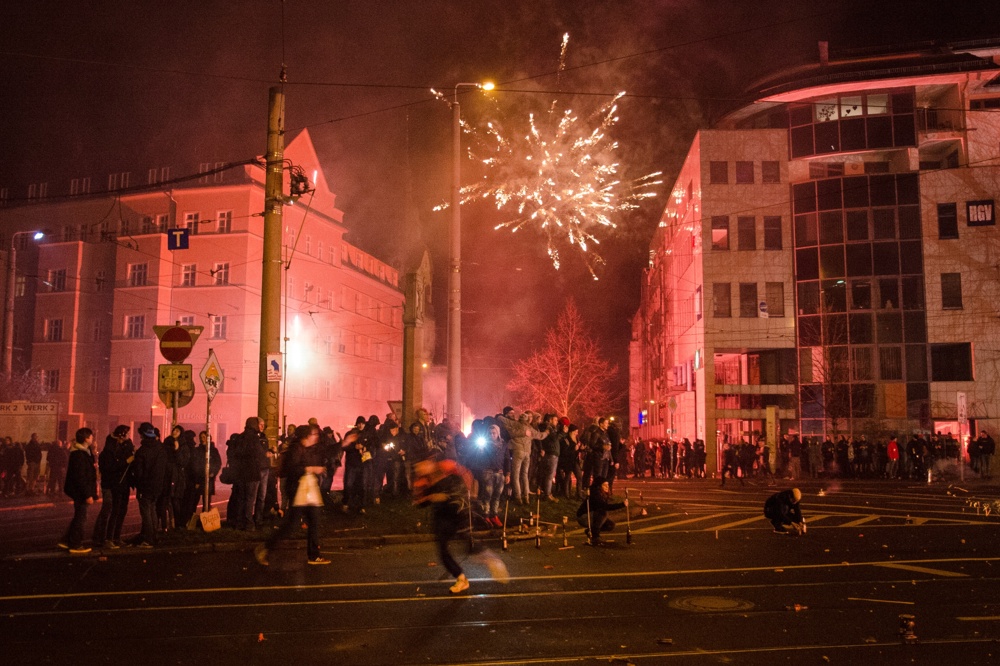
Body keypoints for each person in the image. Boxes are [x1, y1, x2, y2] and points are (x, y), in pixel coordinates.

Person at [412, 453, 508, 594]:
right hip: (442, 514)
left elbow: (467, 475)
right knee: (443, 550)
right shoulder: (421, 480)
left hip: (459, 509)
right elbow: (418, 501)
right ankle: (461, 579)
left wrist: (470, 494)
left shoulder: (446, 466)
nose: (419, 470)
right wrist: (431, 497)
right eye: (416, 468)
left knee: (467, 540)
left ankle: (492, 560)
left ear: (429, 462)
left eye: (421, 466)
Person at [255, 424, 329, 566]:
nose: (316, 437)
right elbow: (292, 469)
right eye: (313, 434)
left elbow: (326, 450)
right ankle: (266, 547)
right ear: (305, 436)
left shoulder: (308, 449)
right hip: (298, 490)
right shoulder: (296, 449)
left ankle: (314, 555)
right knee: (292, 525)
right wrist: (311, 468)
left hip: (308, 491)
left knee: (314, 521)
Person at [93, 425, 134, 548]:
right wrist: (126, 461)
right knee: (110, 511)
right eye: (125, 435)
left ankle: (115, 537)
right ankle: (105, 538)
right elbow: (110, 468)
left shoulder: (125, 447)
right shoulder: (108, 452)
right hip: (111, 485)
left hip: (122, 484)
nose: (127, 437)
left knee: (120, 511)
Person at [60, 428, 98, 554]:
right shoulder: (79, 455)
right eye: (91, 436)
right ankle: (75, 544)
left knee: (79, 516)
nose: (92, 438)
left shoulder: (84, 452)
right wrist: (88, 494)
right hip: (80, 492)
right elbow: (80, 477)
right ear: (86, 438)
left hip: (79, 491)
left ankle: (66, 540)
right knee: (81, 518)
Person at [129, 422, 167, 547]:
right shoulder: (160, 448)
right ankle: (154, 536)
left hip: (145, 486)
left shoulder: (142, 451)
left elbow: (138, 471)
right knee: (153, 511)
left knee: (146, 513)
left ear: (142, 435)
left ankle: (149, 539)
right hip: (157, 486)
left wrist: (137, 481)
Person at [576, 476, 627, 546]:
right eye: (605, 485)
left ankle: (590, 531)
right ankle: (595, 536)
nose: (607, 487)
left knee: (610, 525)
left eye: (608, 485)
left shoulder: (602, 494)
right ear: (599, 486)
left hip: (593, 515)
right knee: (604, 513)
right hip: (584, 517)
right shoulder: (595, 495)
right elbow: (605, 506)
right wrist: (622, 505)